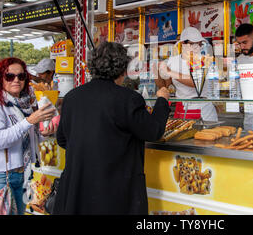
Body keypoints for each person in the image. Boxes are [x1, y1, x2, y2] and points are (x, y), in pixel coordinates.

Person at [53, 42, 170, 215]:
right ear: (123, 69)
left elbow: (62, 139)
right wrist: (162, 100)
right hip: (114, 192)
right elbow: (153, 131)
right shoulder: (128, 99)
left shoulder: (72, 97)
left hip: (77, 189)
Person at [0, 57, 57, 214]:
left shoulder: (23, 105)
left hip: (19, 175)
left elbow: (23, 138)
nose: (16, 80)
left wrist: (43, 135)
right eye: (9, 76)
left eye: (21, 76)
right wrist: (29, 121)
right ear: (0, 79)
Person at [156, 27, 218, 121]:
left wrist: (170, 72)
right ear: (183, 43)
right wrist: (158, 71)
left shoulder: (205, 60)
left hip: (203, 112)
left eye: (199, 44)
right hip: (182, 110)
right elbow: (166, 85)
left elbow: (195, 82)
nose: (197, 47)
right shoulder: (173, 61)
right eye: (193, 43)